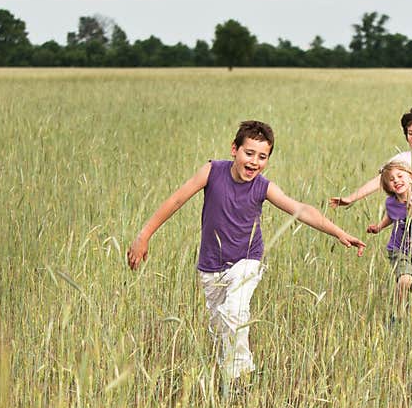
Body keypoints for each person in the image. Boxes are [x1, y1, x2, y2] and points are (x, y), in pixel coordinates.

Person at [127, 120, 366, 393]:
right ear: (234, 150)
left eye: (262, 156)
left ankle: (241, 378)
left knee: (235, 314)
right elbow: (176, 200)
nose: (254, 161)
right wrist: (144, 235)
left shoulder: (263, 187)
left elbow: (301, 209)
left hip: (246, 261)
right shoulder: (212, 172)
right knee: (220, 329)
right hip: (211, 266)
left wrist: (338, 232)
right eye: (249, 153)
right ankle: (230, 382)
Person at [330, 107, 412, 291]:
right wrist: (351, 198)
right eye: (410, 133)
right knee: (407, 269)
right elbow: (379, 181)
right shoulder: (402, 159)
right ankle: (411, 300)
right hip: (405, 222)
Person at [366, 160, 412, 309]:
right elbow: (391, 216)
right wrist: (379, 227)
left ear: (411, 178)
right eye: (391, 180)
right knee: (405, 279)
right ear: (388, 187)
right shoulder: (390, 203)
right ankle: (398, 311)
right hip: (399, 248)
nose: (396, 181)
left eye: (400, 176)